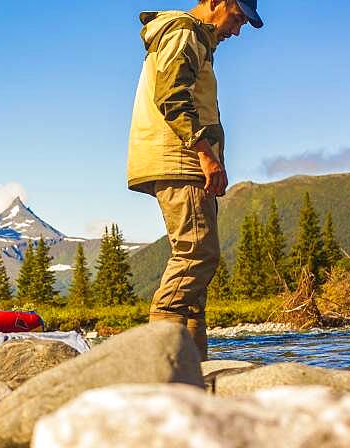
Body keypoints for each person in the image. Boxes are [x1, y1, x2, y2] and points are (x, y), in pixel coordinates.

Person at [126, 0, 263, 360]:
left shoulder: (196, 38)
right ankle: (162, 363)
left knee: (198, 270)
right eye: (237, 18)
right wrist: (205, 154)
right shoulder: (184, 30)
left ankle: (193, 371)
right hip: (181, 159)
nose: (237, 30)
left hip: (185, 159)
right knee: (197, 252)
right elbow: (172, 96)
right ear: (217, 2)